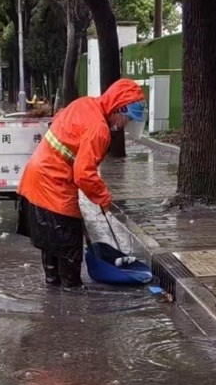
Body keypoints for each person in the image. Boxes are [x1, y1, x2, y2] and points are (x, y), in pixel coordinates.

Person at [17, 78, 146, 289]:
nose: (125, 125)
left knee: (51, 245)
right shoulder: (99, 130)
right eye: (127, 119)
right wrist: (103, 198)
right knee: (69, 249)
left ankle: (53, 297)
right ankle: (73, 298)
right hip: (54, 185)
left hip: (34, 178)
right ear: (118, 109)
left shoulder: (84, 103)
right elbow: (84, 174)